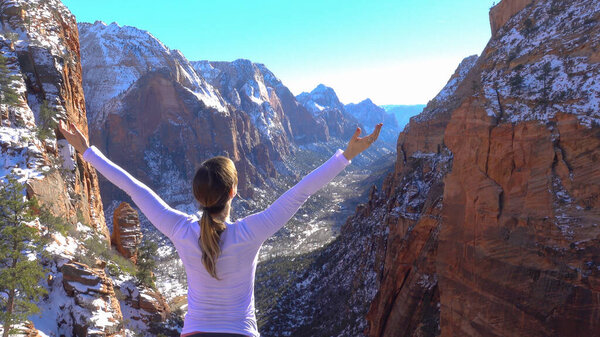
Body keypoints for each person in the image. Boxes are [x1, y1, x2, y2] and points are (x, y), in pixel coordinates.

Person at [58, 119, 382, 337]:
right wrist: (347, 155)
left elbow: (134, 188)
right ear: (232, 192)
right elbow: (302, 191)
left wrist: (87, 150)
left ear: (198, 197)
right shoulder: (250, 233)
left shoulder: (180, 230)